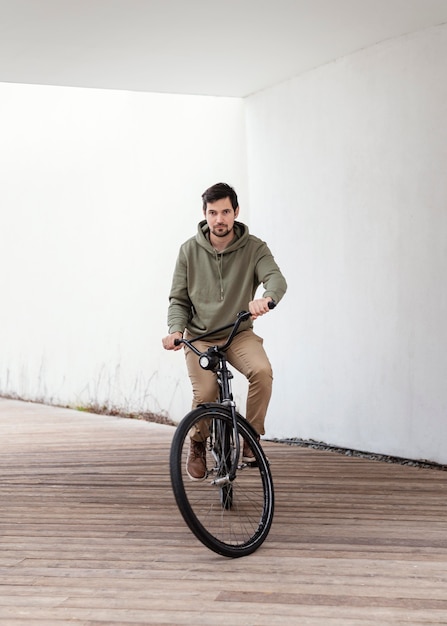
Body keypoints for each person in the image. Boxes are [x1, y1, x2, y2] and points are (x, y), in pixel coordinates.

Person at [162, 182, 287, 480]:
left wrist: (267, 299)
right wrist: (175, 330)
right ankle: (197, 442)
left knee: (262, 371)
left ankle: (251, 438)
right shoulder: (189, 251)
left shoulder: (255, 248)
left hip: (238, 333)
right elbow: (178, 300)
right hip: (200, 337)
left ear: (236, 212)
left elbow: (276, 279)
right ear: (204, 214)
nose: (220, 219)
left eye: (226, 212)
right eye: (213, 212)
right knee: (206, 392)